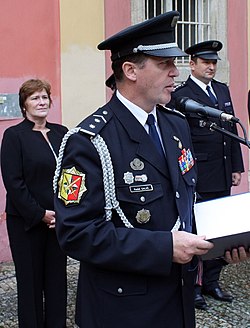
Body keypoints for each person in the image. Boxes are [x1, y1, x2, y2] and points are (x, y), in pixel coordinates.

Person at [54, 12, 248, 328]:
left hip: (178, 297)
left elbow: (183, 204)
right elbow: (76, 233)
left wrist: (222, 242)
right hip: (123, 308)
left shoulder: (175, 124)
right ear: (130, 70)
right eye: (164, 64)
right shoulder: (89, 141)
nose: (176, 72)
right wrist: (165, 247)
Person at [169, 40, 245, 310]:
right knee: (199, 233)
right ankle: (195, 286)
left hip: (222, 172)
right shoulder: (181, 95)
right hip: (199, 175)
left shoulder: (222, 90)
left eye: (214, 62)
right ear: (192, 64)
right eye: (205, 62)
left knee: (221, 231)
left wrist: (237, 167)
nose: (211, 67)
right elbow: (180, 139)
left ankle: (212, 281)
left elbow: (232, 134)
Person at [0, 79, 68, 327]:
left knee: (56, 280)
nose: (41, 102)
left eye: (44, 97)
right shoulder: (14, 136)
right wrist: (40, 214)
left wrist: (64, 212)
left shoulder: (62, 133)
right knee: (30, 283)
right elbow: (14, 182)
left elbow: (72, 175)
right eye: (35, 98)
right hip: (26, 223)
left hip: (58, 221)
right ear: (24, 105)